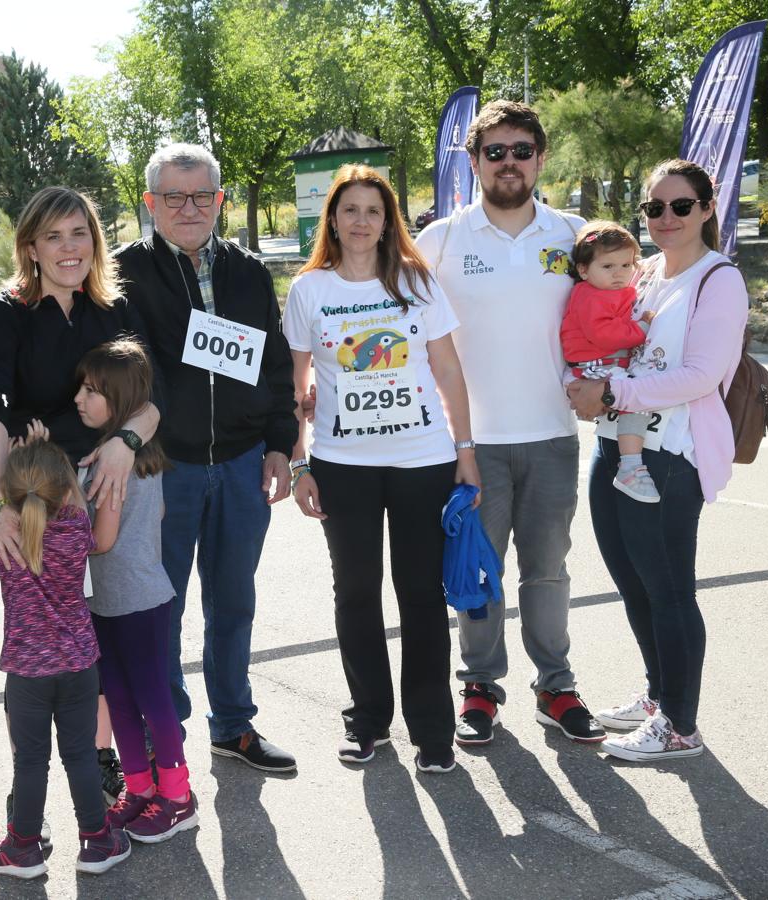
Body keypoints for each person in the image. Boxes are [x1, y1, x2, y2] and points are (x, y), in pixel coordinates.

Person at [415, 100, 606, 746]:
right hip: (473, 445)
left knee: (548, 571)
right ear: (473, 163)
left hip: (553, 436)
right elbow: (398, 328)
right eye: (494, 152)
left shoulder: (571, 234)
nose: (508, 163)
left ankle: (556, 685)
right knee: (478, 571)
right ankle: (479, 688)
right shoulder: (441, 239)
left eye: (521, 150)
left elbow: (614, 309)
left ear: (540, 158)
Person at [284, 165, 480, 775]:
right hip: (342, 466)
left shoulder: (417, 282)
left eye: (374, 210)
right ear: (333, 221)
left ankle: (432, 731)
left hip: (424, 460)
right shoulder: (309, 290)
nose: (362, 221)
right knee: (357, 594)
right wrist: (299, 464)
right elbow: (297, 384)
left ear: (388, 220)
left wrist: (465, 451)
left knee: (421, 595)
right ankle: (367, 720)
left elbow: (448, 371)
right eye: (350, 210)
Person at [0, 185, 161, 803]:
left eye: (78, 232)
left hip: (107, 481)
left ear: (94, 240)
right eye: (53, 236)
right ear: (30, 246)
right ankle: (29, 784)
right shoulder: (6, 314)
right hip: (41, 495)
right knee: (41, 634)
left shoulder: (114, 311)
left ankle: (107, 757)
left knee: (107, 625)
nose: (68, 247)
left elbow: (151, 400)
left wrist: (122, 445)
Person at [116, 144, 299, 772]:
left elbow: (275, 364)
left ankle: (234, 725)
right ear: (151, 202)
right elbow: (138, 373)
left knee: (234, 599)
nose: (189, 208)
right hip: (168, 467)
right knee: (160, 606)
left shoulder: (249, 272)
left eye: (201, 196)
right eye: (174, 196)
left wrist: (280, 444)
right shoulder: (124, 275)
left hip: (246, 460)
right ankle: (163, 736)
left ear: (220, 200)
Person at [567, 159, 748, 762]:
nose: (665, 218)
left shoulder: (717, 280)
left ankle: (680, 726)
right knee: (632, 582)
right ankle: (657, 696)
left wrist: (614, 393)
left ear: (705, 209)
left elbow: (700, 376)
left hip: (671, 457)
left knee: (668, 590)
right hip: (615, 444)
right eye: (653, 208)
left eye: (679, 206)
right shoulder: (642, 274)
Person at [0, 437, 132, 879]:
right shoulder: (76, 528)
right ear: (66, 488)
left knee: (30, 761)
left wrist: (12, 467)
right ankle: (97, 841)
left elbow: (2, 506)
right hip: (80, 665)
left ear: (10, 491)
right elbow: (75, 502)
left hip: (27, 673)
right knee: (80, 755)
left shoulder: (1, 539)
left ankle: (22, 848)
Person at [74, 341, 196, 842]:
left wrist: (60, 522)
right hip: (114, 600)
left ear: (119, 399)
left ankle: (177, 796)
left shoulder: (108, 464)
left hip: (138, 603)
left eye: (90, 390)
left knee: (149, 700)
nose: (78, 398)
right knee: (122, 699)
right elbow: (159, 516)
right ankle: (141, 789)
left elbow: (100, 540)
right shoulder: (137, 459)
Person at [561, 221, 658, 502]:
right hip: (596, 367)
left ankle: (629, 462)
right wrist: (641, 330)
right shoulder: (592, 296)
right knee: (636, 403)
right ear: (583, 269)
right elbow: (603, 333)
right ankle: (630, 466)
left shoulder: (603, 292)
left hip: (597, 365)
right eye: (608, 267)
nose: (619, 273)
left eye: (626, 266)